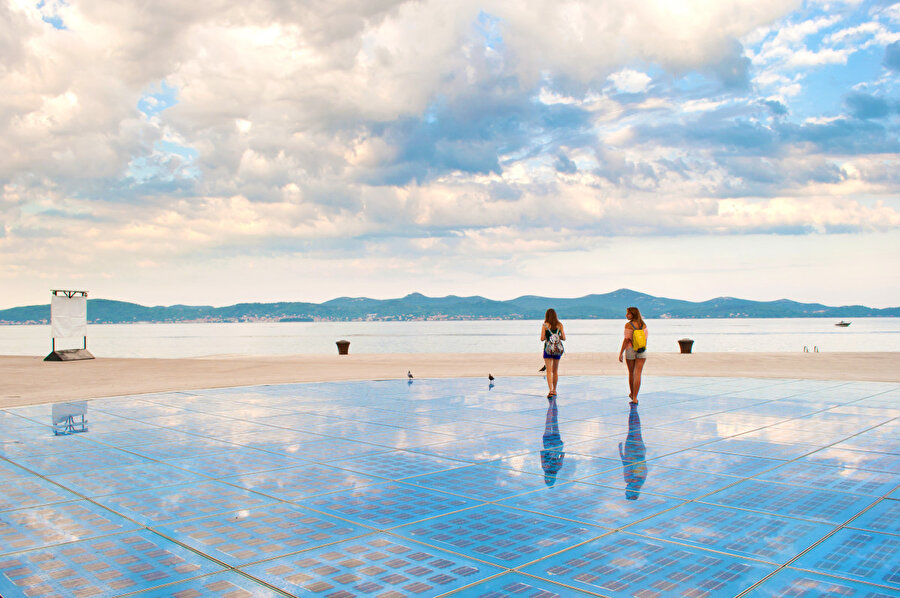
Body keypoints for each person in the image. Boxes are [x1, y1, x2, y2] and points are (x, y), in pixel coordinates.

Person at [618, 306, 647, 404]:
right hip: (642, 350)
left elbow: (626, 340)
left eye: (628, 313)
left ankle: (632, 394)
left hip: (631, 349)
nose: (626, 315)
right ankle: (635, 397)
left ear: (632, 314)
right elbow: (645, 339)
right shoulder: (643, 325)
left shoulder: (628, 325)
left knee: (631, 373)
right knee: (638, 373)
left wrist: (621, 352)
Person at [618, 403, 648, 500]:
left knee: (632, 429)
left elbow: (626, 464)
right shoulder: (636, 480)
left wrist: (621, 452)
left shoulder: (633, 480)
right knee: (634, 429)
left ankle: (633, 408)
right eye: (627, 491)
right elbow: (636, 465)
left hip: (632, 451)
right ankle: (634, 408)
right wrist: (623, 454)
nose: (626, 489)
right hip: (636, 451)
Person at [540, 396, 565, 486]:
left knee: (555, 420)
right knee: (548, 420)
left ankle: (553, 402)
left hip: (557, 444)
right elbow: (542, 453)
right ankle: (551, 403)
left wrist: (555, 456)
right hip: (547, 443)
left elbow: (562, 455)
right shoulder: (544, 467)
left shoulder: (558, 467)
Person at [541, 308, 566, 398]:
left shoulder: (545, 325)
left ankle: (550, 390)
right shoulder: (560, 325)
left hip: (547, 349)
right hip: (557, 350)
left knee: (548, 371)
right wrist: (557, 335)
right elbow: (564, 338)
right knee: (555, 371)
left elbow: (542, 338)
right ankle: (555, 390)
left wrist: (548, 336)